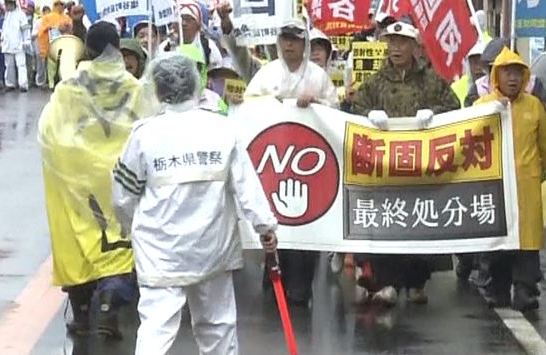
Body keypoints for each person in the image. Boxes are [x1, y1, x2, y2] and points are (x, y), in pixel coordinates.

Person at [112, 54, 279, 355]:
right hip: (211, 249)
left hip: (159, 251)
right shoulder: (223, 128)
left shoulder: (144, 134)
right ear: (196, 86)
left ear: (159, 90)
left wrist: (129, 228)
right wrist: (265, 226)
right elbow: (247, 187)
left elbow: (123, 196)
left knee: (156, 330)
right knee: (217, 326)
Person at [39, 22, 150, 338]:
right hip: (119, 177)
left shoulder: (69, 86)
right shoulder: (134, 87)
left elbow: (48, 132)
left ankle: (83, 309)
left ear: (87, 48)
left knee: (78, 239)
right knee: (118, 240)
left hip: (79, 181)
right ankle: (111, 304)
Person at [350, 21, 460, 306]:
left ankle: (417, 281)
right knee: (391, 222)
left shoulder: (431, 80)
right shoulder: (376, 81)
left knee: (420, 223)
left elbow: (455, 108)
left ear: (414, 46)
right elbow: (356, 109)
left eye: (402, 42)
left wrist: (433, 114)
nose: (396, 48)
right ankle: (387, 283)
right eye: (392, 42)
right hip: (386, 167)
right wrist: (370, 115)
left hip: (421, 166)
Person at [241, 19, 336, 306]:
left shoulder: (318, 77)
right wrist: (275, 100)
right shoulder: (266, 74)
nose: (289, 45)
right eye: (285, 39)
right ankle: (272, 279)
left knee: (305, 222)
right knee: (275, 219)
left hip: (309, 160)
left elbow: (335, 111)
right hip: (275, 159)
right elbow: (248, 105)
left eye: (295, 39)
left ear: (304, 43)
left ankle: (300, 287)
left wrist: (317, 103)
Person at [474, 47, 546, 311]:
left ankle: (526, 289)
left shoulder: (534, 107)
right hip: (494, 187)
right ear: (496, 77)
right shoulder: (482, 107)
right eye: (507, 73)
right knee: (498, 241)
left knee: (527, 244)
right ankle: (496, 286)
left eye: (517, 73)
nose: (512, 79)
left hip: (526, 187)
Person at [163, 1, 221, 70]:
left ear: (198, 25)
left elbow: (217, 76)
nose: (184, 23)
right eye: (181, 19)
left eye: (188, 19)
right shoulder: (165, 48)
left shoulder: (209, 48)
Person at [37, 1, 73, 89]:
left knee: (63, 64)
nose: (60, 7)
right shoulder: (47, 17)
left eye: (61, 5)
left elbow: (71, 29)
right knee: (51, 65)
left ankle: (62, 82)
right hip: (52, 45)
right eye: (58, 5)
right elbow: (41, 31)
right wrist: (50, 28)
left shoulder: (67, 17)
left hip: (64, 45)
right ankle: (52, 84)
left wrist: (65, 28)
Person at [1, 0, 30, 93]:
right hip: (7, 44)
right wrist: (2, 40)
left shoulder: (21, 15)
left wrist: (27, 40)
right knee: (9, 66)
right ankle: (10, 84)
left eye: (7, 5)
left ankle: (23, 85)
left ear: (12, 5)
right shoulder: (7, 15)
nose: (6, 7)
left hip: (19, 44)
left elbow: (25, 29)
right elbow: (4, 29)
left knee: (21, 65)